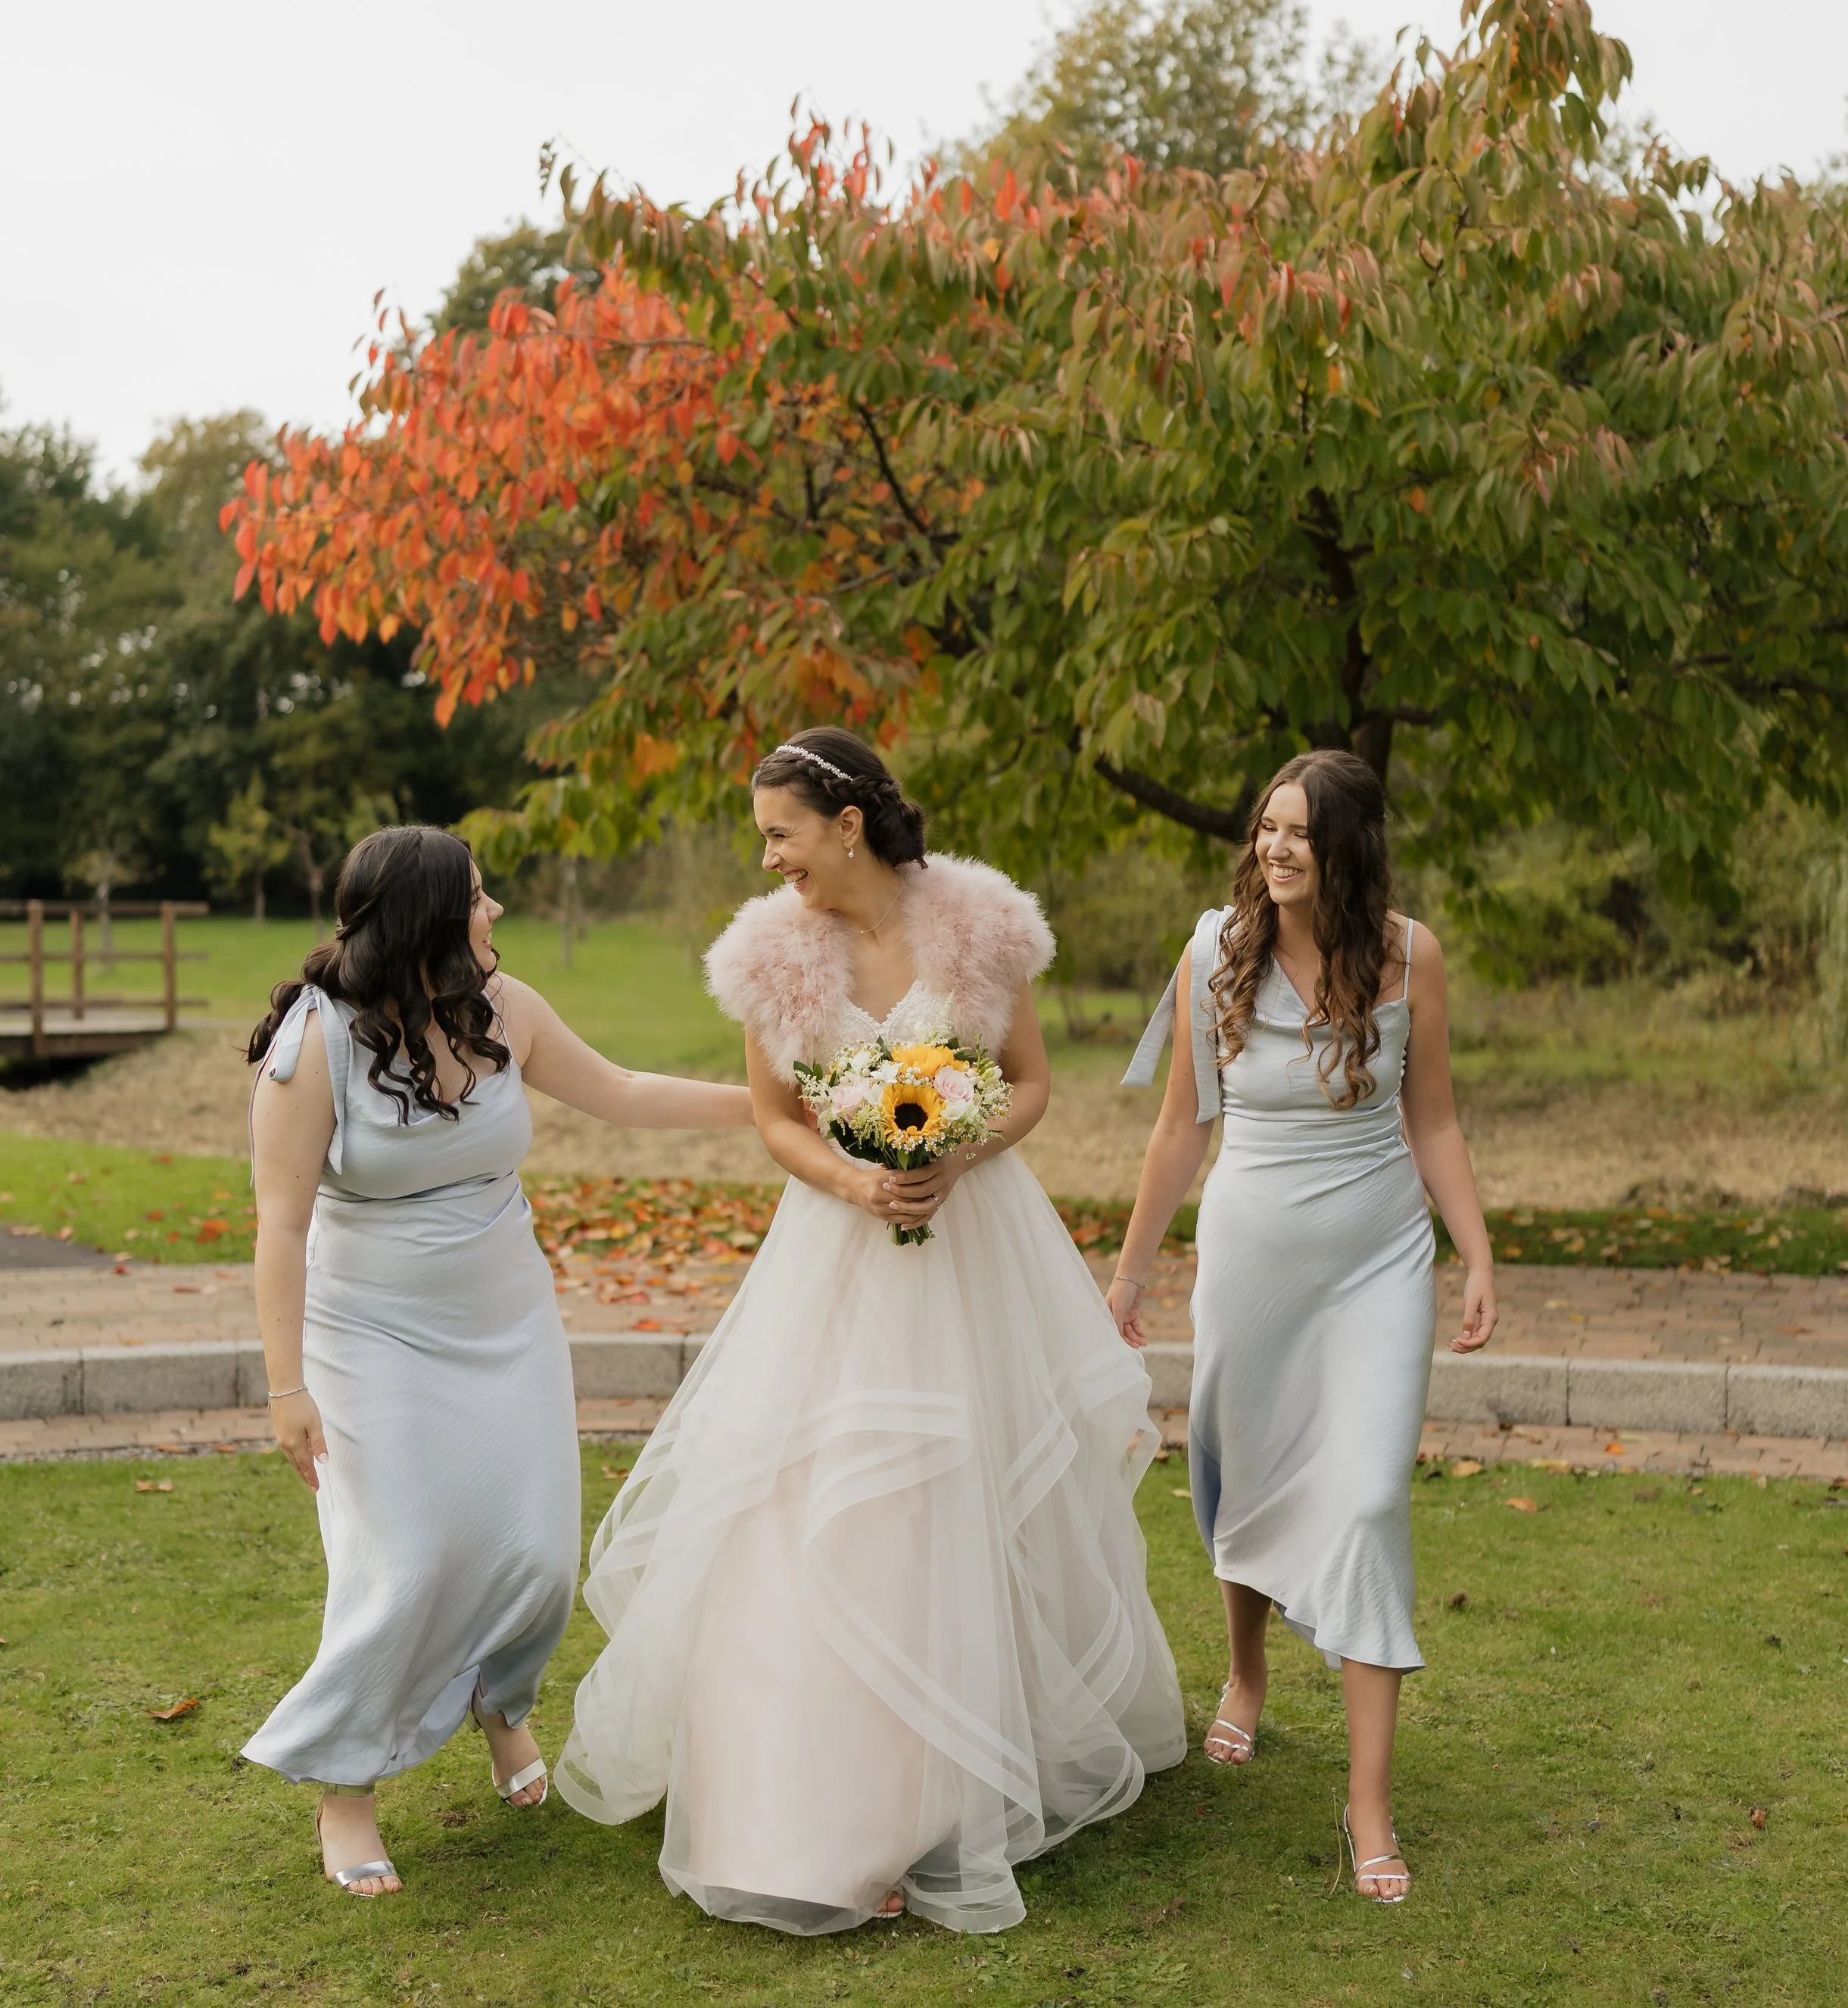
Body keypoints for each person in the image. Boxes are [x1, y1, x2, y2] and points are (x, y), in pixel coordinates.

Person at [555, 728, 1186, 1934]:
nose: (771, 856)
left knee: (972, 1497)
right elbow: (774, 1118)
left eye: (781, 831)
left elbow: (1034, 1086)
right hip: (836, 1260)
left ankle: (953, 1787)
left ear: (847, 823)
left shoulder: (984, 926)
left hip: (975, 1248)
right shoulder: (769, 957)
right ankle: (805, 1804)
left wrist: (957, 1149)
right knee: (811, 1500)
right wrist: (854, 1183)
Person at [243, 824, 754, 1897]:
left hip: (506, 1321)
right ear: (429, 919)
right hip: (368, 1337)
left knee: (534, 1557)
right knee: (409, 1558)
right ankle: (348, 1783)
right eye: (480, 897)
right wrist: (286, 1388)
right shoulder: (317, 1038)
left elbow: (619, 1090)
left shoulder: (504, 1010)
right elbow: (279, 1226)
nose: (498, 912)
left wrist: (770, 1110)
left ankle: (501, 1706)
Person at [1111, 750, 1495, 1903]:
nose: (1276, 848)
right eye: (1268, 827)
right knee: (1241, 1475)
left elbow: (1432, 1120)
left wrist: (1475, 1247)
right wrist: (1129, 1275)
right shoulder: (1212, 951)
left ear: (1349, 849)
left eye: (1301, 833)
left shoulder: (1410, 955)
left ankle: (1368, 1805)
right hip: (1251, 1258)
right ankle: (1246, 1671)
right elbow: (1181, 1127)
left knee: (1370, 1498)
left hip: (1378, 1261)